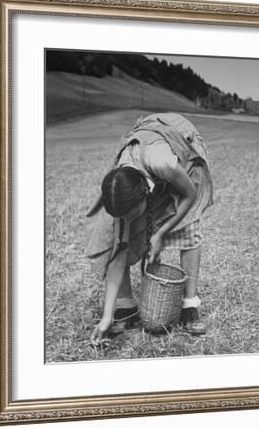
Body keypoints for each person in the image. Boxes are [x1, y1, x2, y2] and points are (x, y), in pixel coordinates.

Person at [86, 113, 214, 344]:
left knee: (188, 229)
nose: (130, 219)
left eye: (134, 213)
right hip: (148, 159)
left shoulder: (162, 162)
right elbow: (119, 253)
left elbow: (189, 194)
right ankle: (126, 307)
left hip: (181, 146)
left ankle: (189, 305)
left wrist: (161, 233)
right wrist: (107, 317)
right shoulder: (121, 181)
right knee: (112, 238)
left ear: (146, 195)